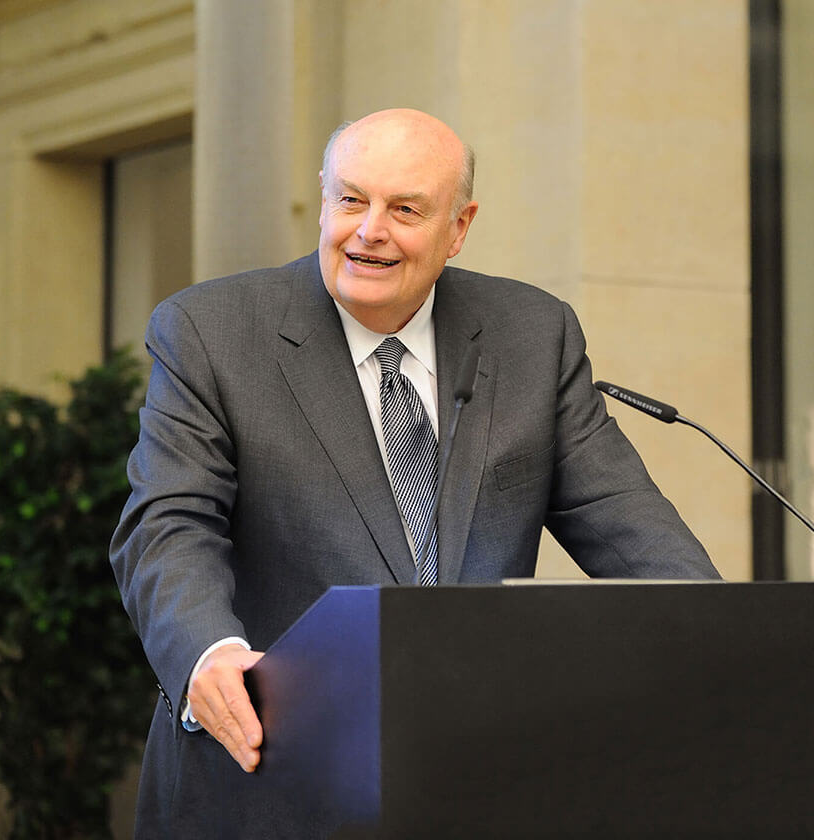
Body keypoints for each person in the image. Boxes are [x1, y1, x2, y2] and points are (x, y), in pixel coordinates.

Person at [110, 108, 720, 838]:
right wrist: (209, 652)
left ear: (458, 228)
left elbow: (631, 527)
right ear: (324, 197)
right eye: (351, 199)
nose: (370, 230)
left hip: (474, 779)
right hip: (265, 779)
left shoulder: (533, 334)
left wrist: (716, 642)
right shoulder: (210, 331)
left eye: (405, 209)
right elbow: (168, 524)